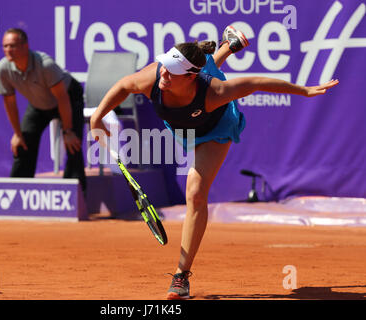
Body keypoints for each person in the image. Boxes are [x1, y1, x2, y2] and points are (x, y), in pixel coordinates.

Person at [90, 26, 339, 300]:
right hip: (184, 124)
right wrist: (97, 117)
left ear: (189, 76)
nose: (163, 72)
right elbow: (124, 85)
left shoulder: (215, 92)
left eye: (171, 70)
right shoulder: (156, 76)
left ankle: (181, 276)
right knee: (201, 71)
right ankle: (226, 47)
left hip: (215, 128)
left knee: (195, 193)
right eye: (164, 65)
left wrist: (303, 91)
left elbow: (257, 83)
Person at [0, 28, 86, 193]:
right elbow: (9, 102)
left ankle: (74, 198)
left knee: (73, 144)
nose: (8, 50)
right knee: (22, 143)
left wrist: (68, 130)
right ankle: (17, 194)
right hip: (39, 104)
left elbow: (62, 98)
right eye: (5, 46)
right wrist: (17, 133)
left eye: (13, 46)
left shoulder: (45, 65)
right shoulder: (2, 69)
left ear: (25, 46)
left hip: (68, 98)